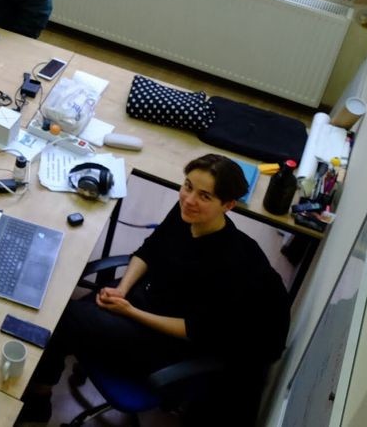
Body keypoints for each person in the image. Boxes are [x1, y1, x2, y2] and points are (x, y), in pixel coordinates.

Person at [18, 154, 291, 427]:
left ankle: (38, 400)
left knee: (65, 317)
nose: (189, 199)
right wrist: (123, 289)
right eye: (187, 186)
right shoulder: (186, 214)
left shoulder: (229, 265)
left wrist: (131, 311)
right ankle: (43, 382)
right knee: (70, 311)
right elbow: (149, 250)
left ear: (228, 205)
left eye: (205, 196)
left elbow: (195, 331)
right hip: (153, 301)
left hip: (173, 342)